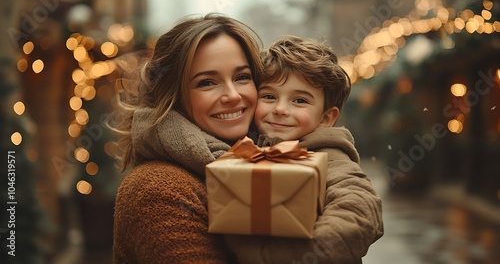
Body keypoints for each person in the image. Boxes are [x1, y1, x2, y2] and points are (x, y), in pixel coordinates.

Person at [111, 13, 266, 263]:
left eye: (242, 77)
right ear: (173, 97)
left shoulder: (269, 158)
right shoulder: (158, 190)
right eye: (207, 82)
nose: (233, 95)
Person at [222, 35, 384, 264]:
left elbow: (359, 206)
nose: (280, 109)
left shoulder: (329, 155)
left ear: (326, 117)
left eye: (299, 101)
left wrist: (294, 253)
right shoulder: (245, 146)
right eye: (269, 96)